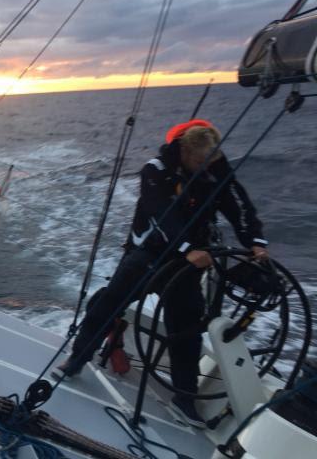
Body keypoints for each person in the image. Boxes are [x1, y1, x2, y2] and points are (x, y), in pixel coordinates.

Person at [53, 119, 269, 428]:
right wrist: (186, 249)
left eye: (210, 159)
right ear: (183, 150)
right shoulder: (155, 170)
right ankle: (77, 359)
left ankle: (185, 398)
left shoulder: (214, 170)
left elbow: (239, 207)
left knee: (187, 327)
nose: (203, 165)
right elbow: (160, 214)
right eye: (198, 160)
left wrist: (255, 242)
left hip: (188, 264)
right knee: (110, 301)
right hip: (149, 255)